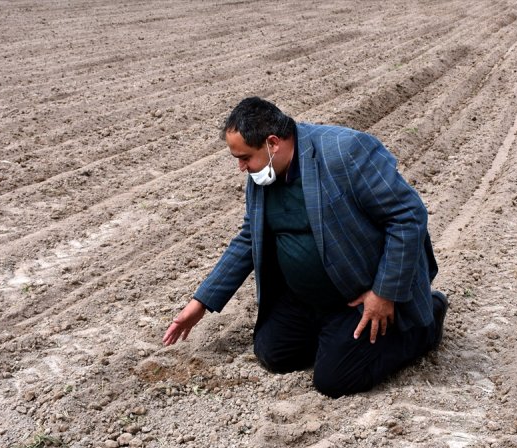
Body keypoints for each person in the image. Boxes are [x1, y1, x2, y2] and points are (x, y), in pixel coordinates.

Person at [162, 97, 447, 398]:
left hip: (359, 292)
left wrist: (384, 293)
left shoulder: (345, 151)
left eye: (244, 157)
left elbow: (407, 216)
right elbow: (249, 238)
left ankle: (425, 320)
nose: (241, 167)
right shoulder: (264, 173)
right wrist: (201, 303)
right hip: (306, 299)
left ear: (273, 143)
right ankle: (336, 338)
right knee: (273, 353)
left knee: (335, 380)